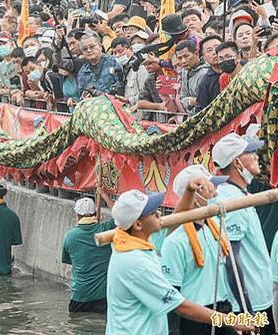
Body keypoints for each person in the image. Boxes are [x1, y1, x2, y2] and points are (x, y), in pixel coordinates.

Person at [106, 189, 251, 335]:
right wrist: (231, 321)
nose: (160, 214)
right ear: (137, 225)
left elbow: (176, 217)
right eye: (153, 213)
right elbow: (181, 307)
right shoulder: (136, 263)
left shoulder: (137, 240)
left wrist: (189, 190)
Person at [210, 131, 275, 334]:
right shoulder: (232, 200)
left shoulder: (239, 194)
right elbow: (230, 258)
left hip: (257, 300)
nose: (256, 156)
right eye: (250, 153)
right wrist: (247, 310)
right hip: (246, 306)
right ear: (237, 163)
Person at [161, 165, 236, 335]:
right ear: (195, 196)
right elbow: (172, 300)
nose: (217, 192)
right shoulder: (175, 241)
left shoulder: (215, 226)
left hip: (222, 309)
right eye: (210, 188)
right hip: (194, 319)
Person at [62, 193, 115, 314]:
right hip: (103, 297)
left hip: (79, 296)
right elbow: (120, 216)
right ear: (95, 213)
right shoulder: (106, 231)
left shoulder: (70, 237)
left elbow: (67, 260)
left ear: (77, 215)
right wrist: (105, 196)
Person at [174, 40, 207, 115]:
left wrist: (191, 101)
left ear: (196, 54)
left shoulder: (206, 73)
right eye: (180, 58)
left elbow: (204, 102)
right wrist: (192, 101)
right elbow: (182, 98)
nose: (183, 61)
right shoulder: (184, 71)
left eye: (186, 56)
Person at [194, 35, 223, 112]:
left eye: (217, 47)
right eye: (209, 50)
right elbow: (201, 109)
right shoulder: (205, 82)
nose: (214, 52)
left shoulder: (237, 69)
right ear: (204, 58)